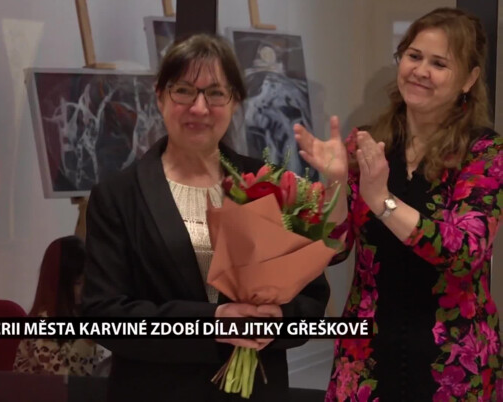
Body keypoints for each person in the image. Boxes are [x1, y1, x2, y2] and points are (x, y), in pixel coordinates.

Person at [82, 34, 331, 402]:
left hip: (257, 391)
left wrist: (278, 321)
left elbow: (311, 301)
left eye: (215, 93)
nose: (199, 108)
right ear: (160, 96)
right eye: (184, 91)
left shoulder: (271, 185)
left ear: (235, 101)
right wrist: (211, 322)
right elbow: (104, 315)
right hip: (157, 391)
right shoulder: (118, 196)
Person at [294, 7, 502, 401]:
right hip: (365, 355)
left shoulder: (485, 152)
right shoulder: (367, 141)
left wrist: (382, 201)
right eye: (414, 56)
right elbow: (335, 249)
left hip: (453, 362)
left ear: (469, 79)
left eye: (439, 63)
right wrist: (336, 181)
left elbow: (464, 253)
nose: (421, 71)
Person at [13, 236, 104, 376]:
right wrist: (87, 341)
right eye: (78, 283)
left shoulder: (78, 314)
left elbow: (94, 371)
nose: (85, 290)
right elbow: (62, 376)